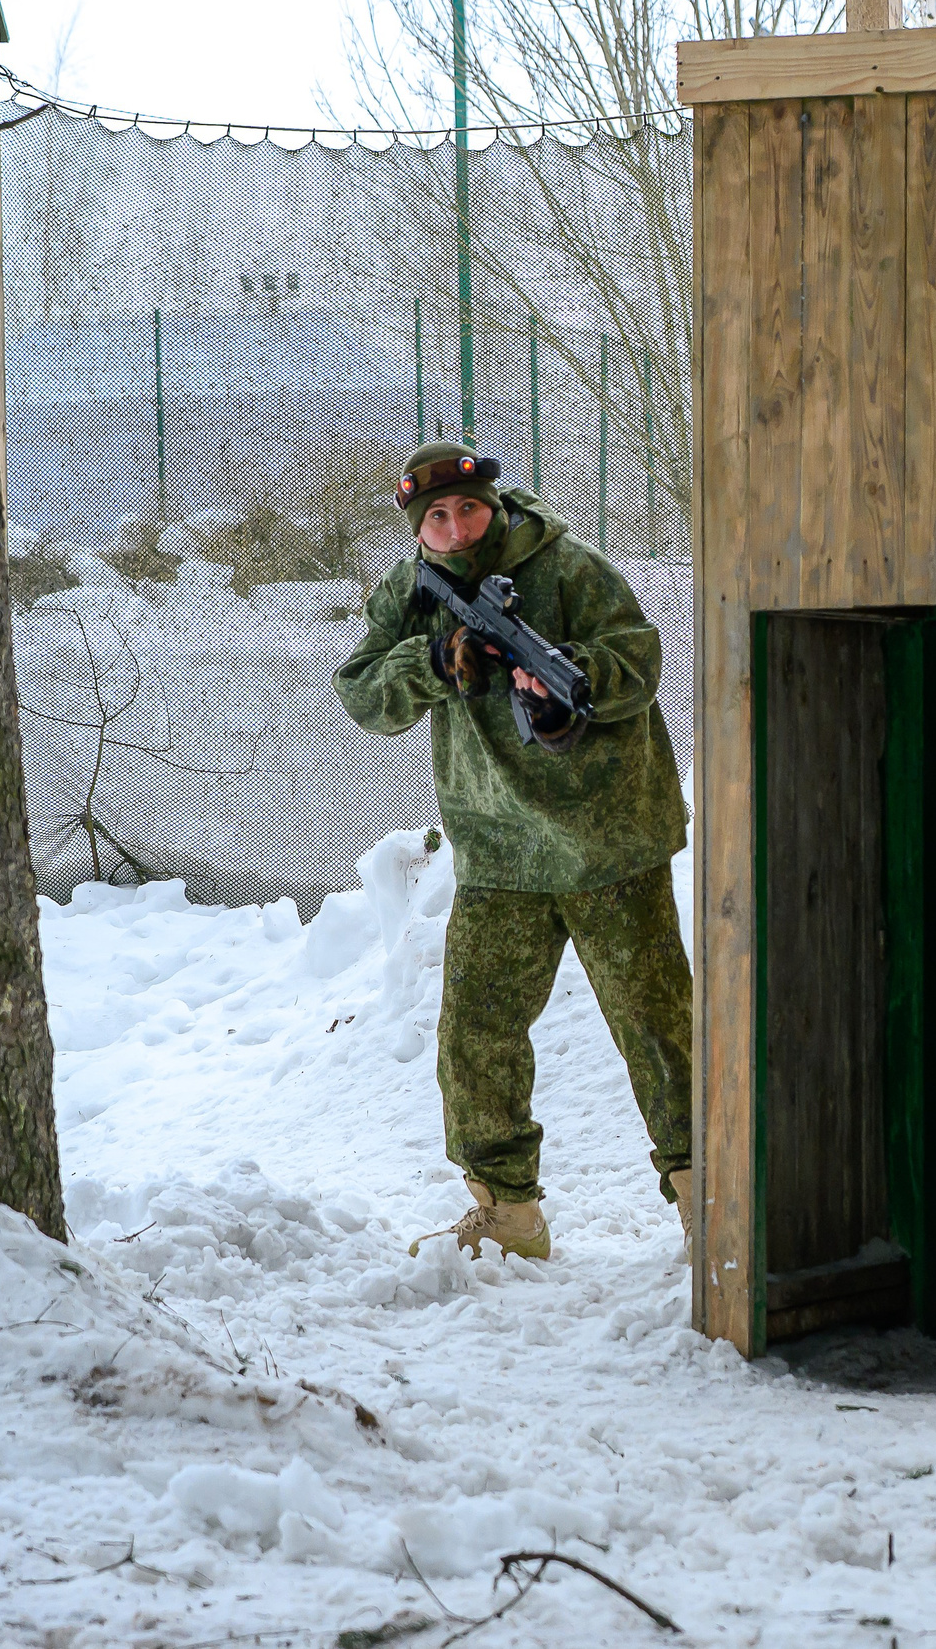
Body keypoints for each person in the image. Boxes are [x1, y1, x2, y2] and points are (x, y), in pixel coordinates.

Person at [333, 440, 692, 1262]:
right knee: (476, 1034)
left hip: (607, 838)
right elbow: (362, 693)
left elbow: (640, 654)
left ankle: (709, 1196)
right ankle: (508, 1215)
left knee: (659, 1027)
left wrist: (576, 693)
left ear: (494, 504)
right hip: (500, 849)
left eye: (469, 509)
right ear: (418, 530)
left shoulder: (567, 565)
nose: (456, 529)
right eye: (436, 518)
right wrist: (432, 661)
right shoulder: (410, 593)